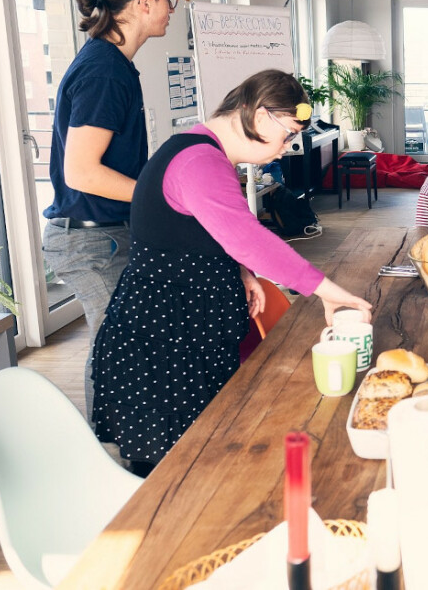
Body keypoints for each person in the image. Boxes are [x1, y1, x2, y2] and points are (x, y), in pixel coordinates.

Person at [91, 70, 371, 475]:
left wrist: (240, 271)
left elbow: (201, 231)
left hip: (179, 335)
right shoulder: (200, 161)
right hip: (165, 347)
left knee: (196, 464)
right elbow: (247, 238)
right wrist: (328, 291)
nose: (284, 150)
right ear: (261, 118)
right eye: (287, 137)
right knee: (172, 479)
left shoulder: (197, 151)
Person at [42, 0, 176, 419]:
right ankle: (110, 458)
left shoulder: (113, 63)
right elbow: (82, 171)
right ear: (142, 3)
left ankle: (126, 448)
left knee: (129, 343)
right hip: (88, 240)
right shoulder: (104, 70)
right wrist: (160, 196)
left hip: (106, 232)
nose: (170, 8)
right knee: (118, 348)